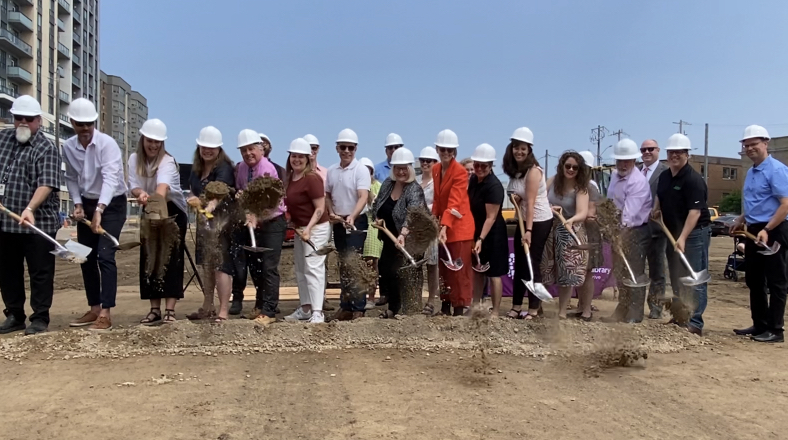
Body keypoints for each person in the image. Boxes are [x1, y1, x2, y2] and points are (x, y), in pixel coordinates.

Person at [64, 98, 128, 332]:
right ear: (72, 122)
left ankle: (106, 313)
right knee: (85, 256)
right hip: (87, 203)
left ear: (94, 122)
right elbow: (71, 177)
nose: (85, 128)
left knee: (105, 255)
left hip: (112, 204)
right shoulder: (68, 147)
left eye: (89, 124)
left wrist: (100, 209)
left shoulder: (107, 144)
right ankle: (94, 308)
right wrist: (78, 204)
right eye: (80, 124)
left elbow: (111, 178)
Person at [0, 95, 61, 335]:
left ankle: (40, 318)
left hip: (39, 223)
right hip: (6, 223)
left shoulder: (47, 148)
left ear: (38, 121)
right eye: (18, 118)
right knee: (8, 271)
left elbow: (46, 184)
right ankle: (14, 314)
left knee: (40, 272)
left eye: (28, 118)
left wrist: (29, 208)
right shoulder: (3, 139)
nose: (23, 122)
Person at [731, 125, 788, 343]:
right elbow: (756, 203)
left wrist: (767, 229)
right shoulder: (752, 172)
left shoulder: (777, 170)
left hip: (774, 229)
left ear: (766, 143)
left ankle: (776, 329)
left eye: (754, 144)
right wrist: (740, 220)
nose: (750, 148)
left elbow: (785, 205)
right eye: (746, 145)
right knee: (754, 280)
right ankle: (760, 324)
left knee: (776, 281)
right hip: (753, 229)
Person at [128, 119, 188, 324]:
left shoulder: (167, 161)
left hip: (171, 210)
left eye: (158, 142)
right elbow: (133, 185)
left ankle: (170, 309)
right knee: (150, 258)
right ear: (143, 139)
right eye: (150, 141)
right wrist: (141, 193)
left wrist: (151, 199)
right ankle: (154, 308)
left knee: (171, 259)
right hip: (149, 208)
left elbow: (163, 189)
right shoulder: (134, 159)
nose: (153, 145)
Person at [652, 133, 710, 336]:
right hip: (672, 232)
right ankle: (679, 316)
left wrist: (683, 238)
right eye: (671, 152)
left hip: (693, 234)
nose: (674, 155)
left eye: (679, 152)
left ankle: (695, 322)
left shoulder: (693, 180)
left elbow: (695, 213)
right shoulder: (665, 176)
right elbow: (660, 195)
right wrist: (657, 208)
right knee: (676, 276)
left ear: (687, 155)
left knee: (694, 277)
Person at [185, 126, 236, 323]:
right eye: (204, 147)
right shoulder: (197, 169)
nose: (207, 150)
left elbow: (219, 193)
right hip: (204, 224)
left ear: (219, 149)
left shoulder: (223, 168)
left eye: (212, 148)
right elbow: (192, 191)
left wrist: (208, 205)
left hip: (221, 225)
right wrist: (192, 198)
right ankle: (208, 306)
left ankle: (223, 310)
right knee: (207, 264)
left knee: (220, 266)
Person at [236, 129, 286, 326]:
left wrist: (255, 215)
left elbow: (268, 201)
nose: (248, 153)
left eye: (251, 149)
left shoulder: (268, 169)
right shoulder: (241, 168)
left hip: (273, 221)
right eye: (244, 150)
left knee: (269, 266)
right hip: (253, 222)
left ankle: (269, 310)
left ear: (261, 149)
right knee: (255, 266)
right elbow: (242, 190)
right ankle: (259, 305)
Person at [503, 128, 554, 320]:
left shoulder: (533, 172)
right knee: (520, 263)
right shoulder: (515, 172)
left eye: (523, 148)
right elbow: (519, 198)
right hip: (523, 220)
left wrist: (529, 231)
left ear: (529, 150)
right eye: (516, 147)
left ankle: (534, 308)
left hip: (538, 221)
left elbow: (531, 202)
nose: (519, 152)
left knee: (532, 262)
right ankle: (516, 306)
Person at [601, 139, 652, 323]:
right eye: (619, 160)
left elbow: (628, 217)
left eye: (626, 160)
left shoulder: (638, 182)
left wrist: (619, 237)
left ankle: (635, 315)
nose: (622, 164)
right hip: (616, 229)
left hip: (635, 231)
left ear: (634, 160)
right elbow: (610, 202)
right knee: (620, 272)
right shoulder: (614, 176)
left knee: (634, 273)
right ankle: (622, 309)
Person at [372, 147, 427, 317]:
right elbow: (377, 205)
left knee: (404, 272)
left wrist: (403, 234)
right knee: (387, 271)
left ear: (410, 169)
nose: (401, 172)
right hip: (389, 237)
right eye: (397, 168)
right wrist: (377, 218)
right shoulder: (388, 185)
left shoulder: (414, 189)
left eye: (404, 168)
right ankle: (393, 307)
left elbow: (413, 214)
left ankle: (409, 310)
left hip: (410, 240)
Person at [282, 138, 331, 324]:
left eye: (300, 157)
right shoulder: (290, 179)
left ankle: (318, 312)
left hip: (316, 227)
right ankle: (305, 307)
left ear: (307, 159)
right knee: (301, 269)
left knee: (314, 267)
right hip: (300, 228)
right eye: (294, 156)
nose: (297, 160)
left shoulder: (312, 179)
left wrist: (309, 229)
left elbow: (319, 209)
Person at [325, 128, 371, 320]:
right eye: (343, 147)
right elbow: (327, 194)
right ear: (337, 148)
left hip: (356, 220)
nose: (346, 151)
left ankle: (358, 307)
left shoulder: (360, 170)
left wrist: (352, 216)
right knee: (343, 264)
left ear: (355, 148)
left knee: (354, 264)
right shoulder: (332, 171)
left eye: (350, 147)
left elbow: (363, 196)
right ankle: (346, 306)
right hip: (339, 221)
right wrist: (332, 212)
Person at [541, 151, 590, 319]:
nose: (570, 169)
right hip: (549, 229)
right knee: (544, 270)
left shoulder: (581, 189)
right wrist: (549, 208)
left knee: (567, 274)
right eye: (567, 166)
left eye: (575, 168)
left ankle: (562, 312)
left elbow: (582, 213)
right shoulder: (552, 181)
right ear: (562, 166)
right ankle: (538, 307)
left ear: (579, 170)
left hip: (570, 231)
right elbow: (539, 199)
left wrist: (571, 220)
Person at [432, 129, 475, 316]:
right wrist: (434, 219)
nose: (446, 153)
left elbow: (454, 202)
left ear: (455, 151)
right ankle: (445, 303)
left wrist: (445, 226)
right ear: (438, 149)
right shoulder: (435, 170)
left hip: (459, 227)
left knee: (458, 269)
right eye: (443, 149)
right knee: (444, 267)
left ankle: (459, 307)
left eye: (450, 150)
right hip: (444, 226)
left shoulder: (460, 172)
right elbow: (437, 199)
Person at [468, 144, 508, 317]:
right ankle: (475, 305)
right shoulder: (473, 180)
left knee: (494, 273)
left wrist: (481, 239)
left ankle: (496, 311)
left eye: (483, 165)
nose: (479, 168)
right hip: (477, 230)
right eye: (477, 165)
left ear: (491, 166)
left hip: (493, 234)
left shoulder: (495, 186)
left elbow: (490, 217)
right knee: (478, 270)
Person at [304, 133, 334, 312]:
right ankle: (311, 301)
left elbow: (329, 196)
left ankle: (321, 298)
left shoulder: (326, 173)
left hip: (323, 222)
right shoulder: (298, 174)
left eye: (314, 148)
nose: (311, 152)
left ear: (318, 149)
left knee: (322, 261)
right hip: (305, 223)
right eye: (308, 149)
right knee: (308, 264)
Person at [639, 139, 669, 319]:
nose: (647, 152)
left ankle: (656, 308)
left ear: (658, 150)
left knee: (657, 271)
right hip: (638, 228)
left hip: (657, 229)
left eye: (650, 149)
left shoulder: (665, 172)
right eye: (643, 150)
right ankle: (635, 307)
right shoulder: (637, 171)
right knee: (637, 269)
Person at [574, 150, 603, 320]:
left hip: (589, 231)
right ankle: (580, 305)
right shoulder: (576, 186)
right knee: (579, 269)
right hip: (578, 229)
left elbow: (590, 212)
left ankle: (587, 309)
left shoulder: (591, 186)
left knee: (587, 271)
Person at [417, 146, 441, 316]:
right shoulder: (416, 181)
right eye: (423, 160)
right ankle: (416, 298)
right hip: (417, 229)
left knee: (432, 265)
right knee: (416, 265)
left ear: (435, 162)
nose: (425, 163)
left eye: (429, 161)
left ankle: (432, 300)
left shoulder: (438, 181)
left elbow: (439, 203)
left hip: (432, 228)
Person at [360, 157, 383, 309]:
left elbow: (379, 209)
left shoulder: (378, 186)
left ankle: (371, 296)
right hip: (361, 225)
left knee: (372, 262)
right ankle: (360, 296)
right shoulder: (357, 187)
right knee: (361, 263)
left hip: (374, 226)